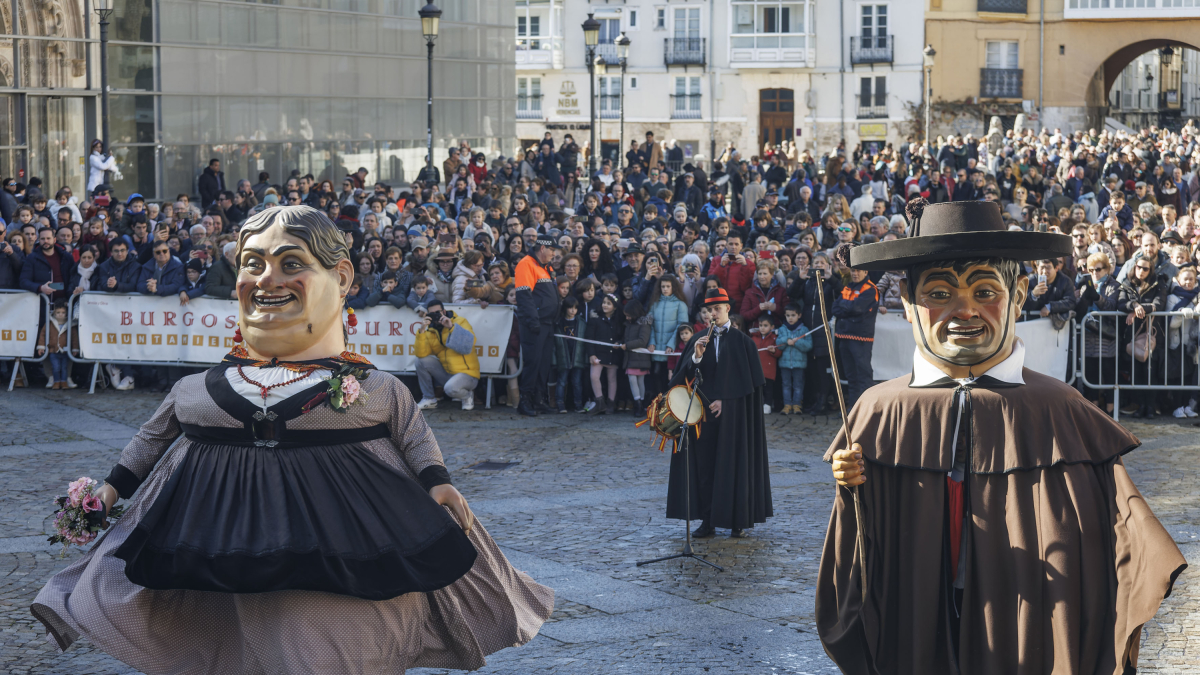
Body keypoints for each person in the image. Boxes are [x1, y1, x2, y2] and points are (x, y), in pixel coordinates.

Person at [31, 205, 553, 673]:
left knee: (328, 649)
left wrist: (437, 482)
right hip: (221, 551)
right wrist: (108, 492)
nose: (267, 279)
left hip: (340, 554)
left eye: (290, 263)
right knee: (231, 643)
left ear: (341, 277)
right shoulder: (195, 389)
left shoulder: (375, 388)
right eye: (252, 263)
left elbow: (412, 434)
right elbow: (149, 441)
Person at [819, 199, 1184, 674]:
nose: (964, 310)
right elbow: (862, 543)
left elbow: (1113, 514)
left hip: (1027, 610)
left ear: (1019, 293)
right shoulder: (879, 407)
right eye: (939, 293)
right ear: (908, 303)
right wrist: (851, 484)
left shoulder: (1060, 406)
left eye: (985, 290)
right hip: (919, 605)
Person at [665, 288, 772, 539]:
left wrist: (727, 400)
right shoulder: (698, 339)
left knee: (734, 465)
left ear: (727, 309)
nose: (712, 314)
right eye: (708, 310)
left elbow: (750, 384)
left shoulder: (742, 341)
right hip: (703, 415)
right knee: (705, 467)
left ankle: (737, 520)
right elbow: (686, 377)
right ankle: (708, 520)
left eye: (717, 309)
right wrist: (697, 358)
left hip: (734, 418)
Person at [513, 234, 561, 416]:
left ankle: (539, 400)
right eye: (552, 250)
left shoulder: (545, 267)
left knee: (544, 363)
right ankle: (525, 401)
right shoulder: (526, 263)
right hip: (536, 323)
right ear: (543, 248)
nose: (554, 254)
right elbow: (524, 296)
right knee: (533, 362)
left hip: (547, 323)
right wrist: (533, 321)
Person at [414, 299, 481, 411]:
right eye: (432, 314)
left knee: (450, 389)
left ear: (444, 312)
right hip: (448, 374)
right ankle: (429, 399)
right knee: (420, 361)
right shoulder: (430, 330)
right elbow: (421, 354)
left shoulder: (460, 321)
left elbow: (470, 343)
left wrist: (451, 327)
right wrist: (422, 330)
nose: (435, 316)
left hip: (468, 374)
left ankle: (467, 396)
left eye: (437, 313)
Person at [830, 256, 879, 408]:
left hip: (861, 339)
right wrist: (849, 307)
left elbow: (857, 308)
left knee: (863, 376)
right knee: (851, 377)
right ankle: (853, 409)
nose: (855, 273)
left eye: (858, 271)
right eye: (853, 270)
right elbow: (835, 308)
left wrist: (847, 307)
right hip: (844, 337)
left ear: (865, 272)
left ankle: (867, 409)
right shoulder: (848, 287)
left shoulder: (871, 289)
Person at [774, 303, 813, 415]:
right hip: (784, 363)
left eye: (793, 315)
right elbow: (778, 343)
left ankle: (797, 405)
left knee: (798, 385)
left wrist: (796, 342)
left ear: (799, 315)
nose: (790, 318)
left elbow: (808, 346)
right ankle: (787, 405)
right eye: (788, 315)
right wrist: (787, 340)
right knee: (786, 385)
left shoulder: (804, 329)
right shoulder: (782, 329)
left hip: (799, 364)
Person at [552, 295, 588, 413]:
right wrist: (554, 360)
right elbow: (554, 344)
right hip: (563, 356)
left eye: (575, 308)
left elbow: (585, 343)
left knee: (577, 383)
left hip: (577, 357)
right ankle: (560, 405)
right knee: (561, 382)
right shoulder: (558, 323)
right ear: (565, 308)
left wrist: (586, 358)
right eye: (570, 308)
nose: (573, 311)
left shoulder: (581, 323)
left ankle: (578, 404)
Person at [35, 300, 79, 389]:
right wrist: (41, 347)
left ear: (66, 313)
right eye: (58, 312)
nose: (60, 314)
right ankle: (55, 381)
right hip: (53, 350)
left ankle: (64, 382)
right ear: (54, 313)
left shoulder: (70, 324)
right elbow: (43, 334)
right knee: (55, 367)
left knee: (64, 367)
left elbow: (74, 338)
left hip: (65, 351)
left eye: (63, 312)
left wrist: (75, 348)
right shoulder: (49, 323)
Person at [621, 299, 653, 417]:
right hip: (631, 357)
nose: (627, 318)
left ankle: (640, 403)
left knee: (639, 381)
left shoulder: (644, 324)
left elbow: (642, 341)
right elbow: (626, 338)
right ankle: (638, 402)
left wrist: (627, 346)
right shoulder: (629, 324)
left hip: (640, 357)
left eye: (629, 316)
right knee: (633, 379)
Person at [751, 315, 780, 412]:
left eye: (765, 325)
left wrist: (773, 351)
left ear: (772, 327)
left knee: (768, 390)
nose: (762, 328)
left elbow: (779, 353)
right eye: (760, 325)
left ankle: (767, 405)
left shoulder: (774, 338)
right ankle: (758, 405)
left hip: (769, 370)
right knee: (757, 389)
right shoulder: (754, 337)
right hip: (756, 369)